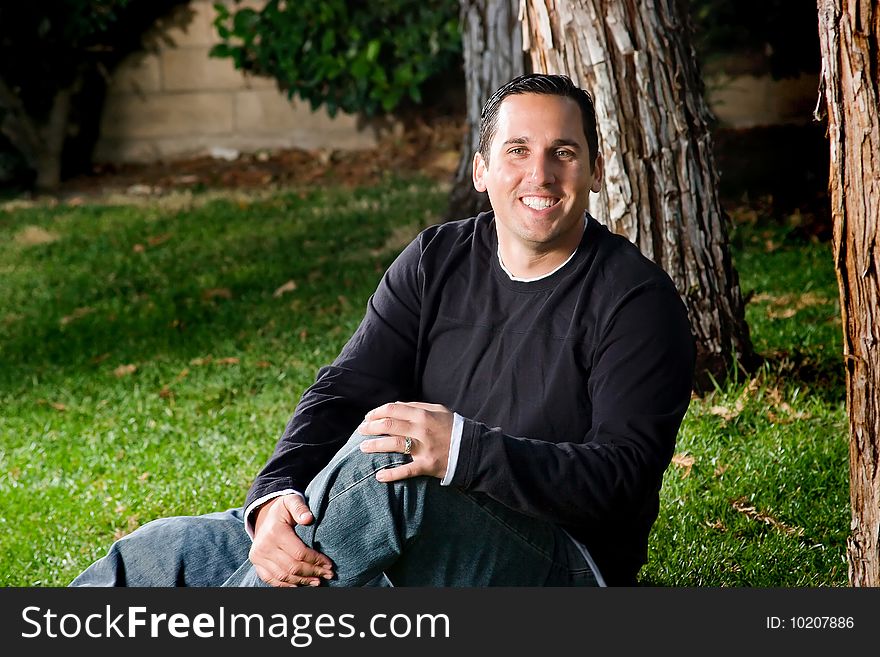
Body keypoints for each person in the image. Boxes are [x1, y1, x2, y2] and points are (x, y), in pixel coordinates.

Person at [71, 73, 695, 589]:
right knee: (158, 556)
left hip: (563, 565)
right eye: (516, 150)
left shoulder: (636, 301)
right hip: (403, 528)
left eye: (563, 152)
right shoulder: (435, 260)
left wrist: (463, 451)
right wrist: (275, 501)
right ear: (481, 169)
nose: (540, 174)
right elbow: (343, 391)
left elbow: (623, 478)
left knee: (392, 472)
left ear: (594, 169)